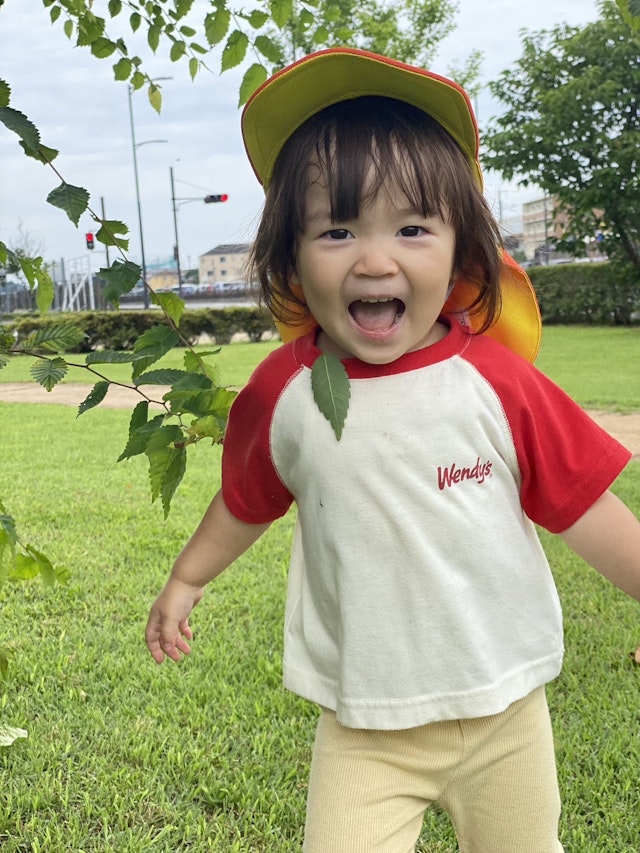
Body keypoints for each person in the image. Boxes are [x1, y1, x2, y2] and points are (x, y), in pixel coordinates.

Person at [146, 48, 640, 852]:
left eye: (413, 227)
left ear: (460, 251)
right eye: (336, 229)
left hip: (505, 711)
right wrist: (187, 577)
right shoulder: (287, 394)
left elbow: (585, 505)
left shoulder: (500, 385)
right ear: (294, 259)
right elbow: (246, 499)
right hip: (363, 726)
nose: (376, 258)